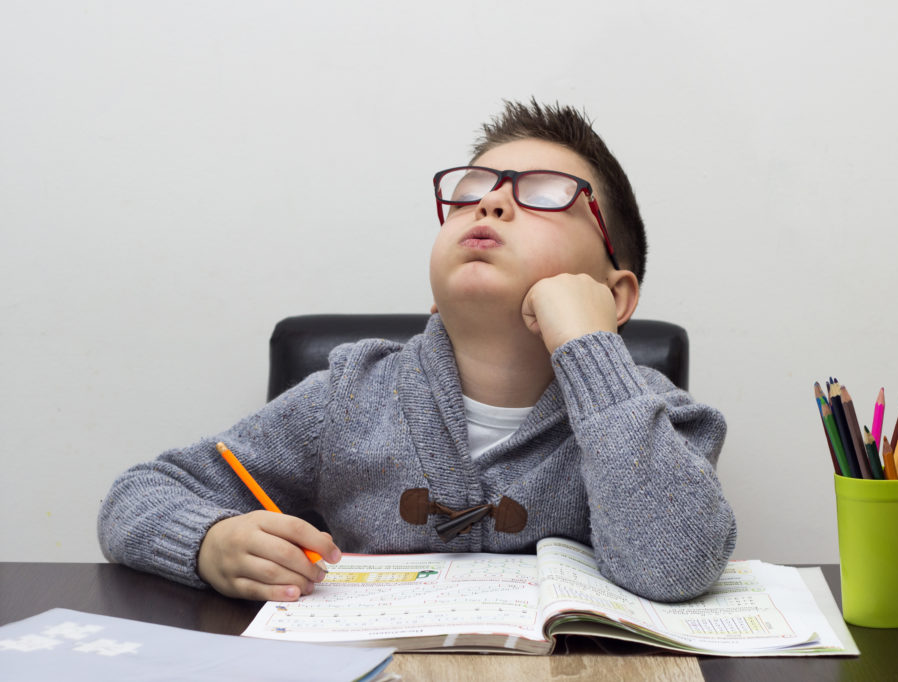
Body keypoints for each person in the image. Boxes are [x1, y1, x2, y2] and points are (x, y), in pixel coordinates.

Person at [98, 99, 736, 604]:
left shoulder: (658, 416)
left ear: (614, 294)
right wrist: (208, 542)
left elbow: (675, 567)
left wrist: (591, 348)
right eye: (473, 188)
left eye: (544, 192)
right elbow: (138, 494)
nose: (490, 200)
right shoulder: (350, 395)